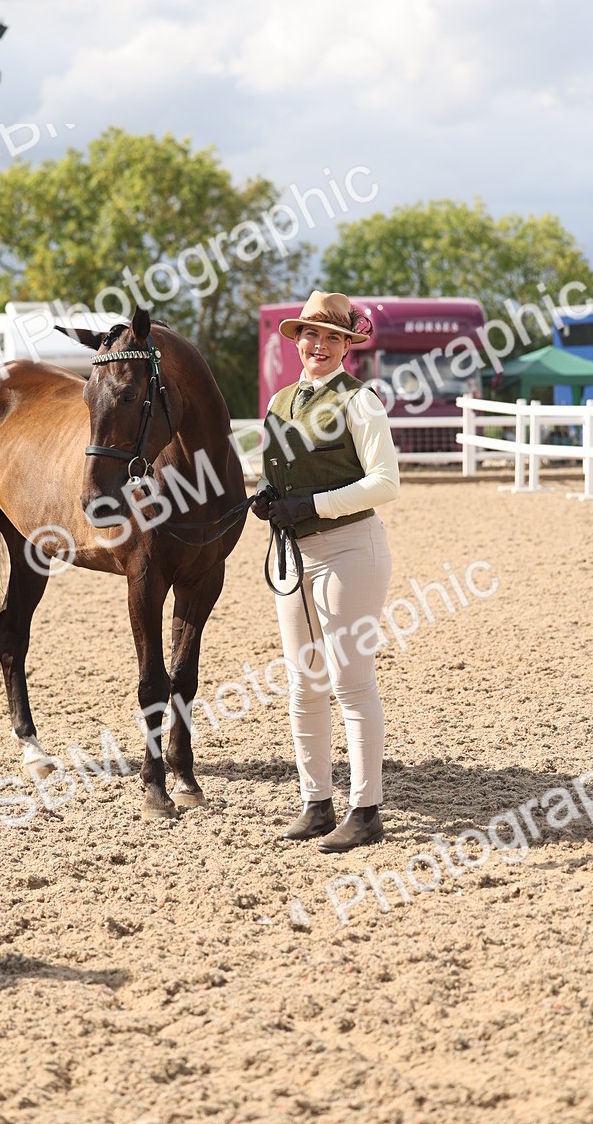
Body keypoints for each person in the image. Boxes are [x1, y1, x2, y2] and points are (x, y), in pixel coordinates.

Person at [253, 291, 400, 852]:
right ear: (297, 341)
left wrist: (313, 506)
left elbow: (385, 482)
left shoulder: (361, 402)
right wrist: (270, 497)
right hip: (296, 552)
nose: (319, 345)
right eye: (311, 335)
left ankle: (366, 810)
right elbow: (284, 470)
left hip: (349, 549)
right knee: (303, 682)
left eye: (332, 337)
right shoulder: (282, 402)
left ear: (346, 347)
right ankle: (316, 802)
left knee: (352, 681)